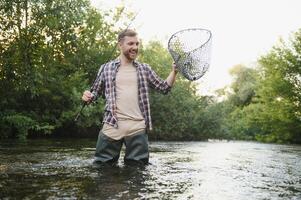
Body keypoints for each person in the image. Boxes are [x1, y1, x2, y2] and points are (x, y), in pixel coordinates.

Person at [82, 29, 178, 166]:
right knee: (102, 170)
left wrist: (174, 72)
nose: (135, 47)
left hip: (137, 127)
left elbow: (164, 88)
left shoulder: (145, 69)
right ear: (120, 45)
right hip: (112, 125)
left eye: (137, 44)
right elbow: (94, 94)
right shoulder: (106, 68)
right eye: (131, 43)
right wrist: (87, 96)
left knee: (138, 173)